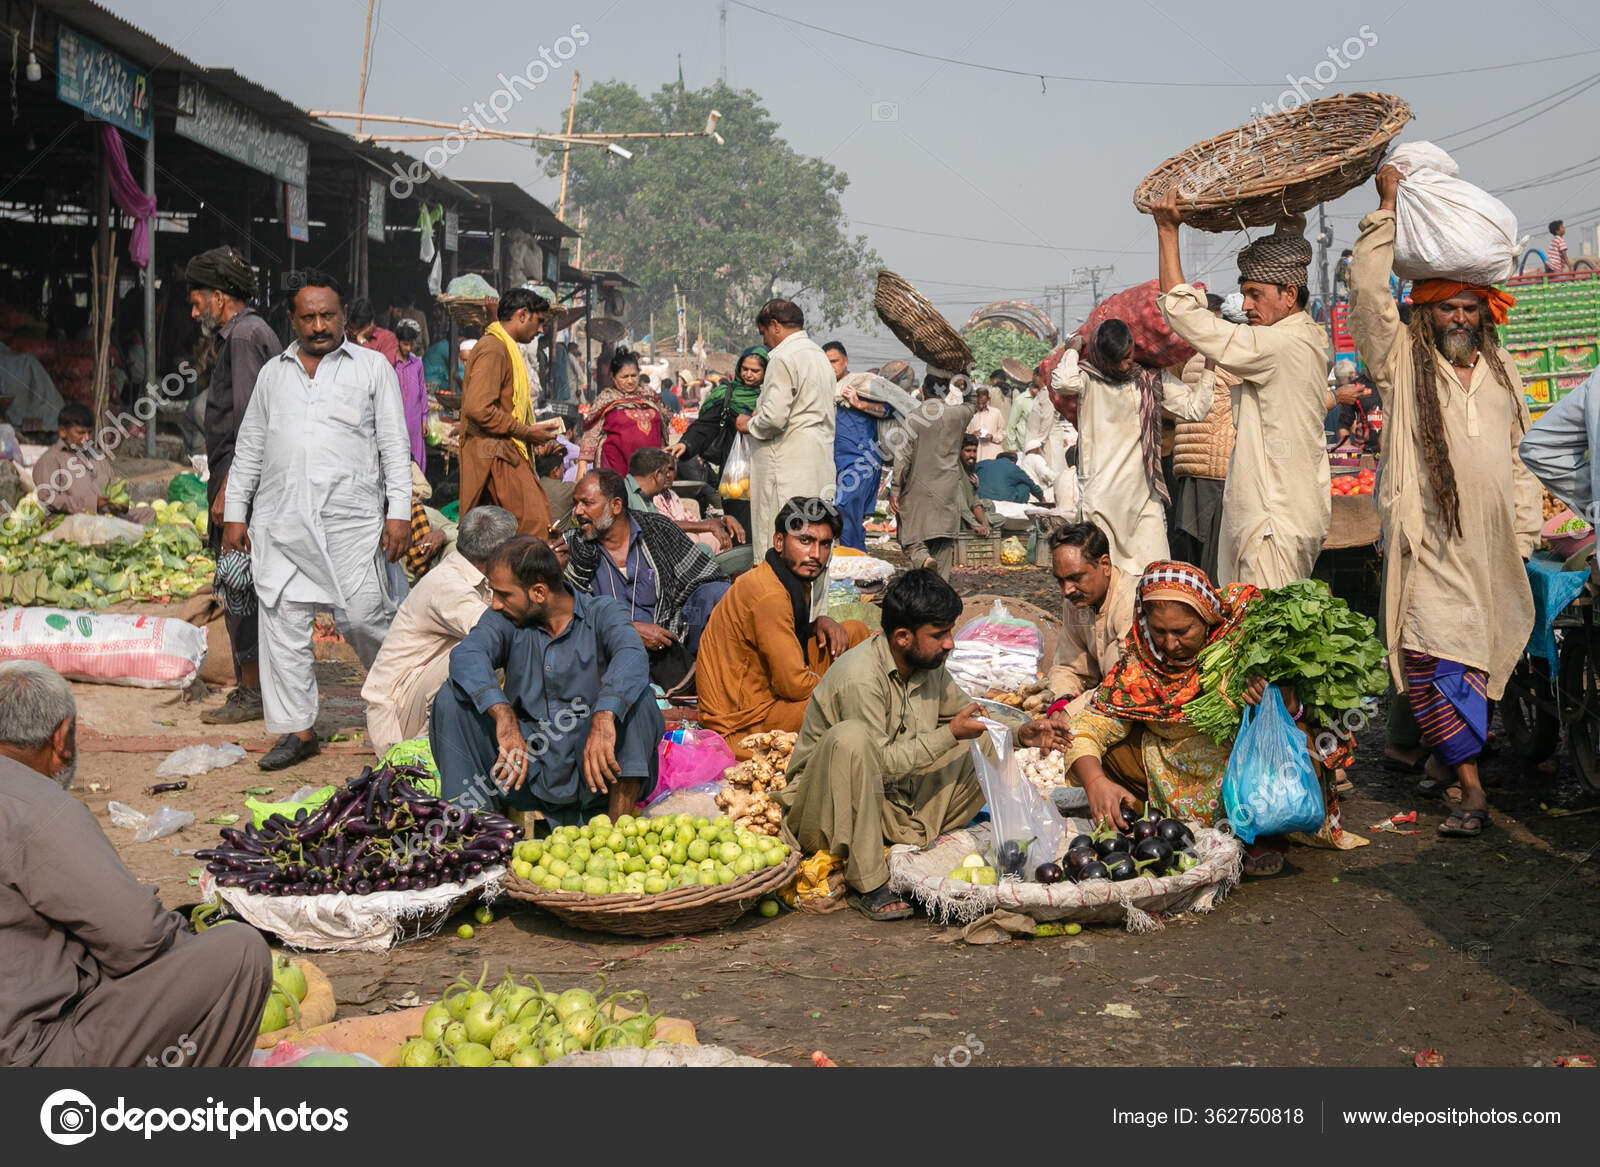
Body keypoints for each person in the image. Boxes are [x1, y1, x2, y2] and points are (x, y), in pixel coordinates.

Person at [1347, 165, 1542, 839]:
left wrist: (1523, 531)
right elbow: (1368, 298)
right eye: (1445, 305)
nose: (1458, 316)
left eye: (1468, 306)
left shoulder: (1503, 372)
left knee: (1477, 659)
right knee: (1437, 659)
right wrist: (1386, 209)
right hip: (1428, 545)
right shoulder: (1403, 364)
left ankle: (1438, 755)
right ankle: (1472, 790)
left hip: (1492, 549)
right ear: (1424, 310)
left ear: (1484, 311)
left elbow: (1522, 458)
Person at [0, 661, 272, 1067]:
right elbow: (138, 938)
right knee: (239, 953)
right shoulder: (37, 808)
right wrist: (185, 942)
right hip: (27, 1053)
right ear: (62, 738)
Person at [776, 569, 1071, 920]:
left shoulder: (929, 666)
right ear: (902, 637)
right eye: (939, 634)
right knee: (852, 739)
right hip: (828, 807)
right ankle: (867, 882)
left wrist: (1023, 732)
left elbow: (967, 712)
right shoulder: (859, 677)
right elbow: (880, 762)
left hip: (890, 799)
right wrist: (949, 735)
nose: (950, 643)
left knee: (983, 739)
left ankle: (909, 837)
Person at [221, 270, 414, 771]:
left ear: (344, 316)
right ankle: (297, 731)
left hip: (351, 523)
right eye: (308, 316)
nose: (319, 325)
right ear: (292, 319)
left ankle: (406, 705)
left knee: (366, 615)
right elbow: (250, 449)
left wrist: (398, 512)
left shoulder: (372, 368)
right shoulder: (273, 374)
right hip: (280, 522)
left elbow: (395, 446)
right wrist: (236, 515)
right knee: (283, 625)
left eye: (328, 315)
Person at [1063, 561, 1336, 876]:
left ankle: (1263, 833)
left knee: (1298, 734)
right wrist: (1096, 783)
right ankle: (1161, 827)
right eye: (1158, 631)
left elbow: (1318, 710)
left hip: (1238, 772)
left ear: (1207, 618)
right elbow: (1089, 727)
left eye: (1182, 631)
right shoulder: (1140, 663)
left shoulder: (1245, 650)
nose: (1169, 644)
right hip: (1166, 769)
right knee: (1107, 753)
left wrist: (1285, 701)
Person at [1153, 189, 1334, 588]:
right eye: (1245, 293)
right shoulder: (1306, 335)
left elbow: (1185, 315)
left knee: (1263, 630)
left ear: (1290, 295)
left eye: (1256, 295)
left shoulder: (1279, 344)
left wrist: (1167, 231)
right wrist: (1289, 216)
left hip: (1272, 522)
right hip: (1280, 514)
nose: (1247, 306)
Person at [429, 537, 665, 823]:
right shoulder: (504, 621)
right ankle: (472, 835)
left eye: (504, 594)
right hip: (524, 770)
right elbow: (468, 655)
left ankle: (617, 833)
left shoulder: (602, 613)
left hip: (596, 772)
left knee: (640, 699)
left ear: (538, 592)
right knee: (452, 699)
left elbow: (631, 655)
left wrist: (604, 716)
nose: (495, 604)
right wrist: (502, 714)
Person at [185, 246, 282, 724]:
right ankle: (259, 684)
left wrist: (229, 494)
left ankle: (251, 692)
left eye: (197, 299)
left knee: (240, 584)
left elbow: (251, 421)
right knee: (248, 582)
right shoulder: (246, 333)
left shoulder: (243, 338)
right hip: (244, 480)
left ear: (220, 297)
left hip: (243, 483)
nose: (193, 309)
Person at [697, 498, 870, 756]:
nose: (816, 555)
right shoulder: (769, 594)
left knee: (853, 632)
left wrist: (817, 624)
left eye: (825, 544)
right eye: (805, 541)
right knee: (845, 703)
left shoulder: (789, 575)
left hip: (768, 692)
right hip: (742, 726)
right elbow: (793, 685)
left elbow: (788, 634)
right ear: (779, 542)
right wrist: (847, 690)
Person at [1051, 320, 1215, 575]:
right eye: (1120, 360)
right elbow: (1062, 382)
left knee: (1154, 572)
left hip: (1142, 495)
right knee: (1104, 576)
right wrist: (1072, 349)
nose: (1126, 364)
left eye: (1129, 356)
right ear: (1103, 358)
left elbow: (1195, 408)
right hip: (1101, 497)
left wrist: (1210, 367)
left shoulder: (1149, 378)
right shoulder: (1088, 379)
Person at [361, 505, 519, 754]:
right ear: (500, 553)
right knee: (482, 650)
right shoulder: (446, 584)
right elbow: (501, 631)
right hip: (399, 720)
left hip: (417, 700)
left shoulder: (481, 576)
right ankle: (428, 753)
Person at [564, 469, 730, 693]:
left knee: (717, 594)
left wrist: (683, 626)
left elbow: (705, 575)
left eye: (586, 503)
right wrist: (626, 629)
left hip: (668, 644)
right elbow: (565, 612)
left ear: (616, 505)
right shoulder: (572, 547)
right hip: (607, 651)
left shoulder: (656, 530)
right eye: (576, 503)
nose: (578, 511)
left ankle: (706, 682)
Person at [738, 300, 837, 620]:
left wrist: (748, 424)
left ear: (775, 326)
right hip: (818, 463)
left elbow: (774, 418)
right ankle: (812, 618)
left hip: (786, 467)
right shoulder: (820, 357)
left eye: (764, 332)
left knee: (781, 545)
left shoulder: (782, 357)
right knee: (816, 546)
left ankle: (778, 620)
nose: (764, 341)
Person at [458, 288, 565, 537]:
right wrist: (525, 432)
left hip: (503, 452)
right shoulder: (494, 348)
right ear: (523, 315)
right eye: (539, 322)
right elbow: (478, 408)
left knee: (497, 537)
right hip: (496, 456)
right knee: (534, 527)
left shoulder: (501, 346)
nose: (541, 330)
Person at [1172, 306, 1243, 585]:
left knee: (1195, 548)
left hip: (1192, 465)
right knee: (1215, 555)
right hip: (1217, 466)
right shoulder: (1231, 361)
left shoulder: (1195, 359)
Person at [668, 345, 765, 530]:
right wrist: (686, 444)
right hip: (735, 474)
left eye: (755, 371)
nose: (749, 375)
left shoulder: (771, 398)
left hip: (766, 470)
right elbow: (705, 426)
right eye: (745, 369)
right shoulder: (726, 396)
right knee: (739, 526)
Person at [1044, 522, 1137, 713]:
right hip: (1097, 701)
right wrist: (1063, 701)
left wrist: (1071, 711)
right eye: (1060, 580)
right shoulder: (1075, 603)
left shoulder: (1132, 603)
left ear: (1105, 565)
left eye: (1076, 578)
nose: (1067, 590)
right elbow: (1067, 667)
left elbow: (1125, 683)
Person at [890, 383, 977, 577]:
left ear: (922, 391)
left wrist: (895, 490)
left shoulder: (913, 418)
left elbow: (903, 459)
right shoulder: (958, 415)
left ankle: (922, 558)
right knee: (943, 548)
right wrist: (966, 379)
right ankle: (941, 595)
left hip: (916, 493)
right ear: (947, 392)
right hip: (947, 493)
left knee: (911, 539)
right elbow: (973, 402)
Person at [31, 403, 155, 523]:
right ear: (63, 431)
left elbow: (113, 488)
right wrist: (93, 503)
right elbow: (47, 498)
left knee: (148, 513)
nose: (86, 438)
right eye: (80, 433)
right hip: (74, 520)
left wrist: (118, 503)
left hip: (106, 516)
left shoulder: (97, 456)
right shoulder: (50, 459)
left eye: (89, 433)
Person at [827, 341, 895, 551]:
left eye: (834, 361)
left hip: (861, 463)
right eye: (826, 362)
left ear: (845, 361)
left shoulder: (860, 384)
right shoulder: (825, 390)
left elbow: (888, 409)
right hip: (834, 463)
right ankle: (853, 566)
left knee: (845, 508)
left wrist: (859, 404)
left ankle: (855, 564)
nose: (831, 367)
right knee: (844, 518)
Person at [627, 446, 748, 562]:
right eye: (665, 472)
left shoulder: (665, 496)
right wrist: (710, 526)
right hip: (655, 560)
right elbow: (663, 526)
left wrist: (723, 520)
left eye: (672, 470)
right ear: (657, 475)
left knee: (714, 541)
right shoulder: (634, 496)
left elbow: (693, 523)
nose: (668, 476)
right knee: (697, 545)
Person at [580, 349, 672, 479]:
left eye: (634, 376)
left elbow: (663, 424)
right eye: (624, 377)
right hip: (617, 467)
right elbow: (591, 433)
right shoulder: (606, 399)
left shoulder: (650, 396)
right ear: (613, 377)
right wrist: (582, 465)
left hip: (651, 467)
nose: (630, 381)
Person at [393, 319, 429, 471]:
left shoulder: (417, 364)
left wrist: (424, 419)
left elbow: (422, 392)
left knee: (417, 463)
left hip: (415, 422)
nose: (408, 348)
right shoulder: (391, 364)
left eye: (411, 344)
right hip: (396, 421)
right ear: (398, 342)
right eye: (405, 344)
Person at [974, 449, 1045, 504]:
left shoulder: (983, 463)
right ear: (1013, 462)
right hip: (1004, 501)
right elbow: (1031, 484)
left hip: (981, 499)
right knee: (1024, 486)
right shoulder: (1014, 467)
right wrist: (1041, 497)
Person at [347, 297, 399, 366]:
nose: (354, 333)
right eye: (351, 328)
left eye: (360, 328)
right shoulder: (344, 337)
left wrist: (362, 341)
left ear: (371, 323)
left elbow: (385, 368)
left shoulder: (387, 338)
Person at [966, 384, 1006, 462]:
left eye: (983, 395)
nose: (980, 398)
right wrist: (972, 435)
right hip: (974, 455)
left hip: (992, 454)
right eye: (978, 396)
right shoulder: (969, 413)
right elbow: (964, 432)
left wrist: (992, 437)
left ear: (988, 399)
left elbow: (1003, 432)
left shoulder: (996, 413)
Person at [1004, 361, 1037, 452]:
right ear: (1032, 387)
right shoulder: (1021, 400)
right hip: (1023, 447)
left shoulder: (1043, 398)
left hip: (1039, 445)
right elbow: (1011, 425)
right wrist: (1012, 447)